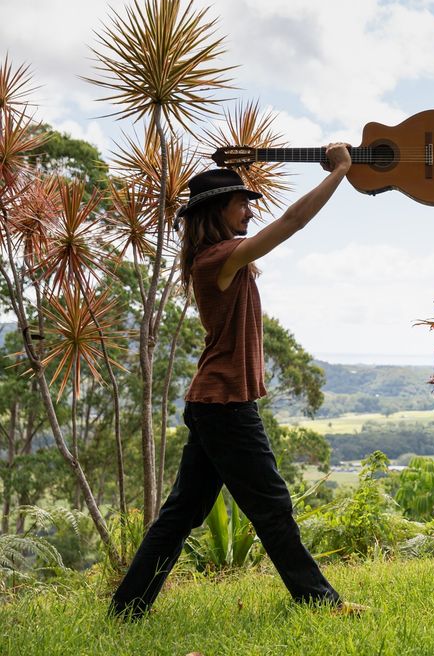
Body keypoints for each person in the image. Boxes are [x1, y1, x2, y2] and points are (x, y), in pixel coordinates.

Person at [110, 146, 363, 619]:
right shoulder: (216, 260)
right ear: (216, 212)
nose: (250, 209)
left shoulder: (223, 259)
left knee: (183, 512)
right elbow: (291, 223)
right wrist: (342, 172)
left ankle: (127, 608)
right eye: (241, 203)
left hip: (214, 403)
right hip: (224, 406)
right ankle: (321, 604)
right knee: (272, 507)